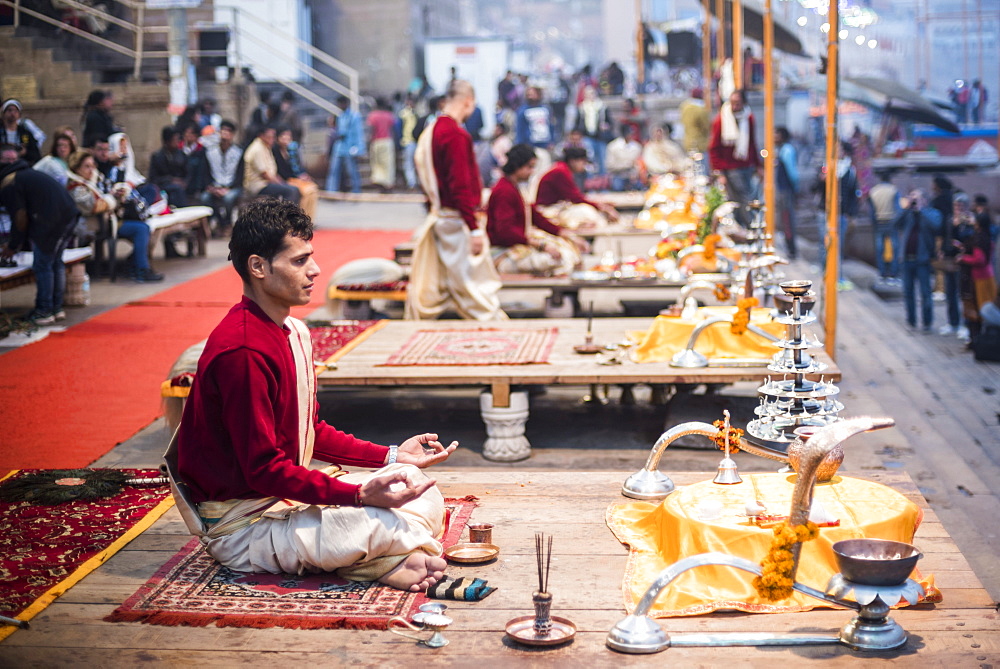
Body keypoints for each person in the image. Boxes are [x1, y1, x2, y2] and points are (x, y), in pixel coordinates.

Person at [168, 198, 454, 592]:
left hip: (282, 504)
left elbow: (310, 429)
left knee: (415, 484)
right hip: (243, 526)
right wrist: (357, 495)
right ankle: (379, 560)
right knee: (386, 518)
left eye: (311, 258)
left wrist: (392, 456)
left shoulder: (293, 332)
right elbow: (264, 470)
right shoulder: (244, 351)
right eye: (300, 261)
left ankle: (386, 558)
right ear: (259, 267)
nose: (315, 270)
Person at [406, 80, 506, 321]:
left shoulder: (432, 130)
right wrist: (473, 229)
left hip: (442, 215)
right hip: (456, 220)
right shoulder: (454, 134)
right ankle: (492, 330)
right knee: (475, 289)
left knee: (443, 284)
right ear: (468, 102)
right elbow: (459, 184)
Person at [0, 144, 80, 323]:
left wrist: (13, 246)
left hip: (51, 221)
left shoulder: (10, 182)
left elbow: (20, 217)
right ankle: (56, 308)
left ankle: (44, 311)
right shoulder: (27, 174)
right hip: (68, 213)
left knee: (43, 265)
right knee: (55, 263)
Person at [486, 144, 588, 276]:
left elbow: (536, 217)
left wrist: (565, 234)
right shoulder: (504, 191)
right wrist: (540, 245)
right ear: (518, 166)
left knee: (569, 252)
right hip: (503, 253)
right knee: (560, 259)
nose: (532, 171)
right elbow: (505, 232)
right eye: (529, 167)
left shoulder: (516, 188)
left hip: (517, 245)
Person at [67, 149, 164, 283]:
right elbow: (93, 206)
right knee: (141, 229)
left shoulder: (94, 179)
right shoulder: (76, 187)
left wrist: (118, 192)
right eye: (86, 166)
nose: (91, 169)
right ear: (77, 169)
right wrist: (112, 199)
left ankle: (135, 264)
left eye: (92, 165)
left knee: (145, 224)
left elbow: (107, 192)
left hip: (108, 220)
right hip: (94, 225)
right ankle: (140, 270)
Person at [894, 189, 942, 332]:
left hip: (923, 260)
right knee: (908, 292)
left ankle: (927, 323)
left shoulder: (931, 213)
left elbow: (936, 226)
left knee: (925, 292)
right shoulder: (908, 214)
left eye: (917, 198)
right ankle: (911, 321)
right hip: (906, 259)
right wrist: (907, 208)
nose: (914, 201)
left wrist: (920, 210)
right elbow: (896, 224)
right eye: (912, 198)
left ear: (924, 200)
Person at [708, 89, 760, 222]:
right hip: (730, 167)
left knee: (746, 197)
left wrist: (759, 165)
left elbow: (752, 143)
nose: (735, 106)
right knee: (741, 199)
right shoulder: (721, 120)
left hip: (746, 165)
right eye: (732, 103)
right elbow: (714, 148)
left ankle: (746, 227)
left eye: (738, 103)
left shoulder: (748, 117)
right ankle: (748, 227)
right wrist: (719, 172)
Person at [535, 147, 619, 222]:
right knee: (587, 213)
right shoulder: (561, 171)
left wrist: (600, 205)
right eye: (583, 163)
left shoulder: (563, 169)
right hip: (547, 209)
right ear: (572, 161)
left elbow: (575, 196)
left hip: (554, 206)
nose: (584, 166)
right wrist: (601, 207)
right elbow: (576, 198)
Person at [955, 193, 995, 346]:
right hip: (986, 276)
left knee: (978, 310)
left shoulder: (979, 237)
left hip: (979, 278)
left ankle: (979, 340)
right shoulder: (986, 235)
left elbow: (979, 260)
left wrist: (963, 258)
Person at [818, 141, 859, 289]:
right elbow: (815, 188)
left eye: (839, 149)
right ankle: (826, 275)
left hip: (841, 214)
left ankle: (838, 277)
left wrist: (852, 214)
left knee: (838, 246)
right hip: (825, 212)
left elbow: (853, 194)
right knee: (825, 245)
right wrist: (823, 179)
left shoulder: (849, 170)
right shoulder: (826, 167)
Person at [200, 120, 243, 236]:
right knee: (205, 198)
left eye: (228, 132)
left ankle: (227, 223)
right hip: (214, 186)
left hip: (231, 187)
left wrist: (229, 188)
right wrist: (212, 188)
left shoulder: (238, 152)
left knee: (229, 198)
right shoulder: (210, 151)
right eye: (222, 131)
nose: (225, 135)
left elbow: (240, 174)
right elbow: (205, 172)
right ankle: (218, 221)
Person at [243, 126, 300, 204]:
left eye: (273, 136)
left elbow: (272, 173)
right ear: (261, 136)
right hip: (259, 185)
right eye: (269, 136)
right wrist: (281, 184)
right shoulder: (257, 149)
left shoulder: (266, 147)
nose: (272, 139)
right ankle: (285, 214)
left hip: (267, 183)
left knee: (293, 188)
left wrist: (283, 183)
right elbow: (265, 174)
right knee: (291, 191)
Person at [273, 127, 318, 219]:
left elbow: (297, 167)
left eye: (288, 136)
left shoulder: (291, 151)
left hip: (294, 178)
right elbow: (279, 171)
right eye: (283, 136)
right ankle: (300, 218)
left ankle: (308, 218)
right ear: (277, 138)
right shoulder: (274, 151)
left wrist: (302, 175)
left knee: (313, 189)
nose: (286, 139)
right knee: (308, 191)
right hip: (285, 180)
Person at [327, 96, 365, 193]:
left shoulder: (354, 116)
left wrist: (358, 148)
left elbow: (358, 133)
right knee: (334, 171)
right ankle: (331, 191)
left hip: (349, 148)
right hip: (339, 148)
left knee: (352, 172)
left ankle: (356, 192)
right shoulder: (340, 116)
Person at [868, 171, 902, 279]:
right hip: (892, 222)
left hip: (879, 222)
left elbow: (871, 210)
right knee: (894, 248)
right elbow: (898, 208)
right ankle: (893, 272)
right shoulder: (893, 190)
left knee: (879, 249)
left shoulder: (874, 191)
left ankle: (881, 272)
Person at [774, 127, 800, 260]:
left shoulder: (787, 150)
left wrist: (795, 190)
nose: (774, 136)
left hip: (786, 191)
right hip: (781, 190)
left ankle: (792, 250)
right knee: (784, 221)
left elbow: (793, 174)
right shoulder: (780, 150)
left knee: (787, 220)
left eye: (776, 133)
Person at [148, 126, 189, 208]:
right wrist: (170, 180)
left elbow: (187, 174)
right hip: (164, 185)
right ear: (167, 141)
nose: (177, 142)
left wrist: (184, 182)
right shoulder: (157, 157)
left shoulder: (182, 155)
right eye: (175, 140)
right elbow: (153, 178)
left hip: (181, 187)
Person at [575, 86, 612, 176]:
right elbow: (577, 123)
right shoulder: (582, 108)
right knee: (590, 159)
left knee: (602, 159)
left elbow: (609, 122)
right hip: (587, 136)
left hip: (600, 136)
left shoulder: (602, 107)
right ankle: (590, 182)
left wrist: (606, 126)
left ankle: (602, 182)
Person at [366, 98, 397, 192]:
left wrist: (369, 142)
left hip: (376, 141)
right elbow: (393, 130)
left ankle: (380, 183)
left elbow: (371, 130)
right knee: (387, 164)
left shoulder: (372, 115)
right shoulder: (389, 115)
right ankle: (388, 184)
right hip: (387, 141)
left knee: (377, 163)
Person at [1, 99, 41, 165]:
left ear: (19, 114)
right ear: (3, 113)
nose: (12, 113)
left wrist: (25, 152)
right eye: (9, 110)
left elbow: (36, 155)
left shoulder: (25, 133)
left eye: (16, 111)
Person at [605, 128, 642, 192]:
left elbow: (639, 164)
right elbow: (610, 166)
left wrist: (635, 174)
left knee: (639, 186)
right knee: (618, 187)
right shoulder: (613, 146)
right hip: (618, 175)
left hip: (632, 176)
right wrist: (628, 164)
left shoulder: (637, 147)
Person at [679, 88, 711, 156]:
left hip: (688, 140)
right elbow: (706, 126)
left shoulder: (684, 107)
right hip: (700, 143)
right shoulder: (701, 110)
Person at [398, 96, 419, 190]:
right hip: (408, 141)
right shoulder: (404, 114)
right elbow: (400, 128)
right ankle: (412, 183)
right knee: (409, 163)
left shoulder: (416, 114)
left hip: (415, 142)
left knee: (414, 164)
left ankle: (415, 182)